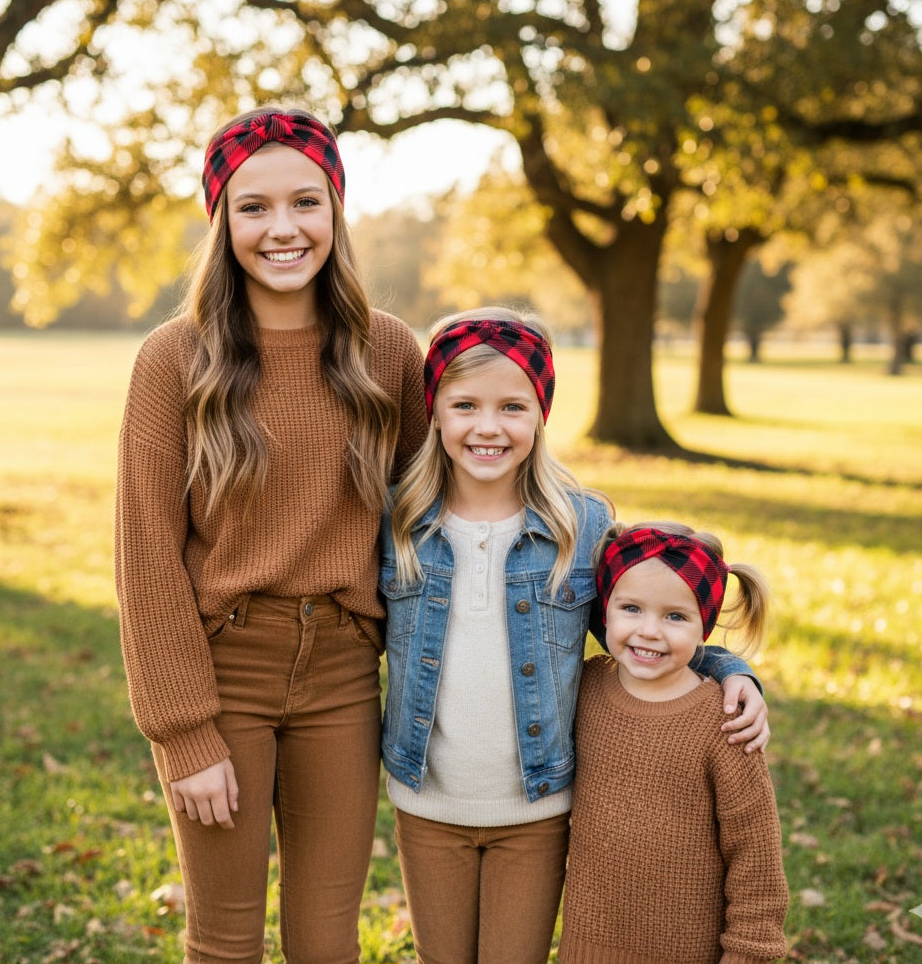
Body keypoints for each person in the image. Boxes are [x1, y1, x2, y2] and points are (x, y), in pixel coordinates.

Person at [114, 107, 428, 964]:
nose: (282, 229)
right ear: (221, 223)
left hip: (342, 675)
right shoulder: (173, 360)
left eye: (305, 203)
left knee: (328, 940)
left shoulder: (388, 353)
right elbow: (145, 558)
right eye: (252, 208)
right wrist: (185, 730)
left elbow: (455, 517)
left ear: (335, 211)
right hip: (223, 671)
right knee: (224, 939)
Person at [378, 308, 770, 964]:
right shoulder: (396, 518)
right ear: (435, 411)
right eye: (464, 404)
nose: (487, 426)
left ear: (540, 413)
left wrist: (729, 667)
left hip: (535, 808)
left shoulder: (579, 524)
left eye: (512, 406)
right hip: (426, 800)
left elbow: (636, 630)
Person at [559, 522, 789, 964]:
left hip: (687, 950)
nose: (649, 631)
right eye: (631, 608)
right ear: (603, 611)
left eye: (675, 616)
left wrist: (750, 952)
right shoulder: (583, 687)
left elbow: (755, 855)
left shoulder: (724, 720)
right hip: (587, 946)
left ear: (704, 625)